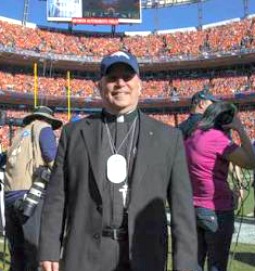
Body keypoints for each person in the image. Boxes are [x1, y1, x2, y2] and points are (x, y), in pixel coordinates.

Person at [39, 51, 198, 271]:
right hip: (85, 253)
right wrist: (48, 248)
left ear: (140, 85)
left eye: (127, 76)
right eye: (112, 78)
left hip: (144, 254)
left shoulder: (168, 138)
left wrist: (186, 263)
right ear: (100, 86)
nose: (120, 83)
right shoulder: (73, 133)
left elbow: (182, 208)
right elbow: (57, 197)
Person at [184, 101, 255, 271]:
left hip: (193, 207)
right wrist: (240, 128)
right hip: (216, 209)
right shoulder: (216, 138)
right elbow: (250, 162)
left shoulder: (194, 134)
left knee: (195, 263)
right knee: (216, 264)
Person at [4, 106, 62, 271]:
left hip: (9, 197)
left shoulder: (17, 135)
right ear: (48, 119)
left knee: (17, 253)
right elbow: (51, 156)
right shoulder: (43, 128)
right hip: (31, 194)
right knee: (34, 251)